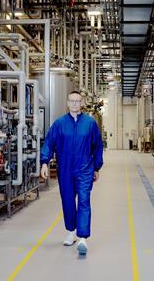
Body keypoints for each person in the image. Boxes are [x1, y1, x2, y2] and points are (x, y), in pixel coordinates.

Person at [40, 91, 104, 255]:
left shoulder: (90, 123)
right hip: (65, 169)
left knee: (84, 200)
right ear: (68, 103)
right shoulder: (59, 124)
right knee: (67, 201)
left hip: (84, 169)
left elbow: (97, 146)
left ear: (81, 103)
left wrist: (96, 167)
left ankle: (82, 237)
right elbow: (49, 142)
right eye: (72, 101)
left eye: (77, 101)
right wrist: (44, 162)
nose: (75, 104)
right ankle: (71, 231)